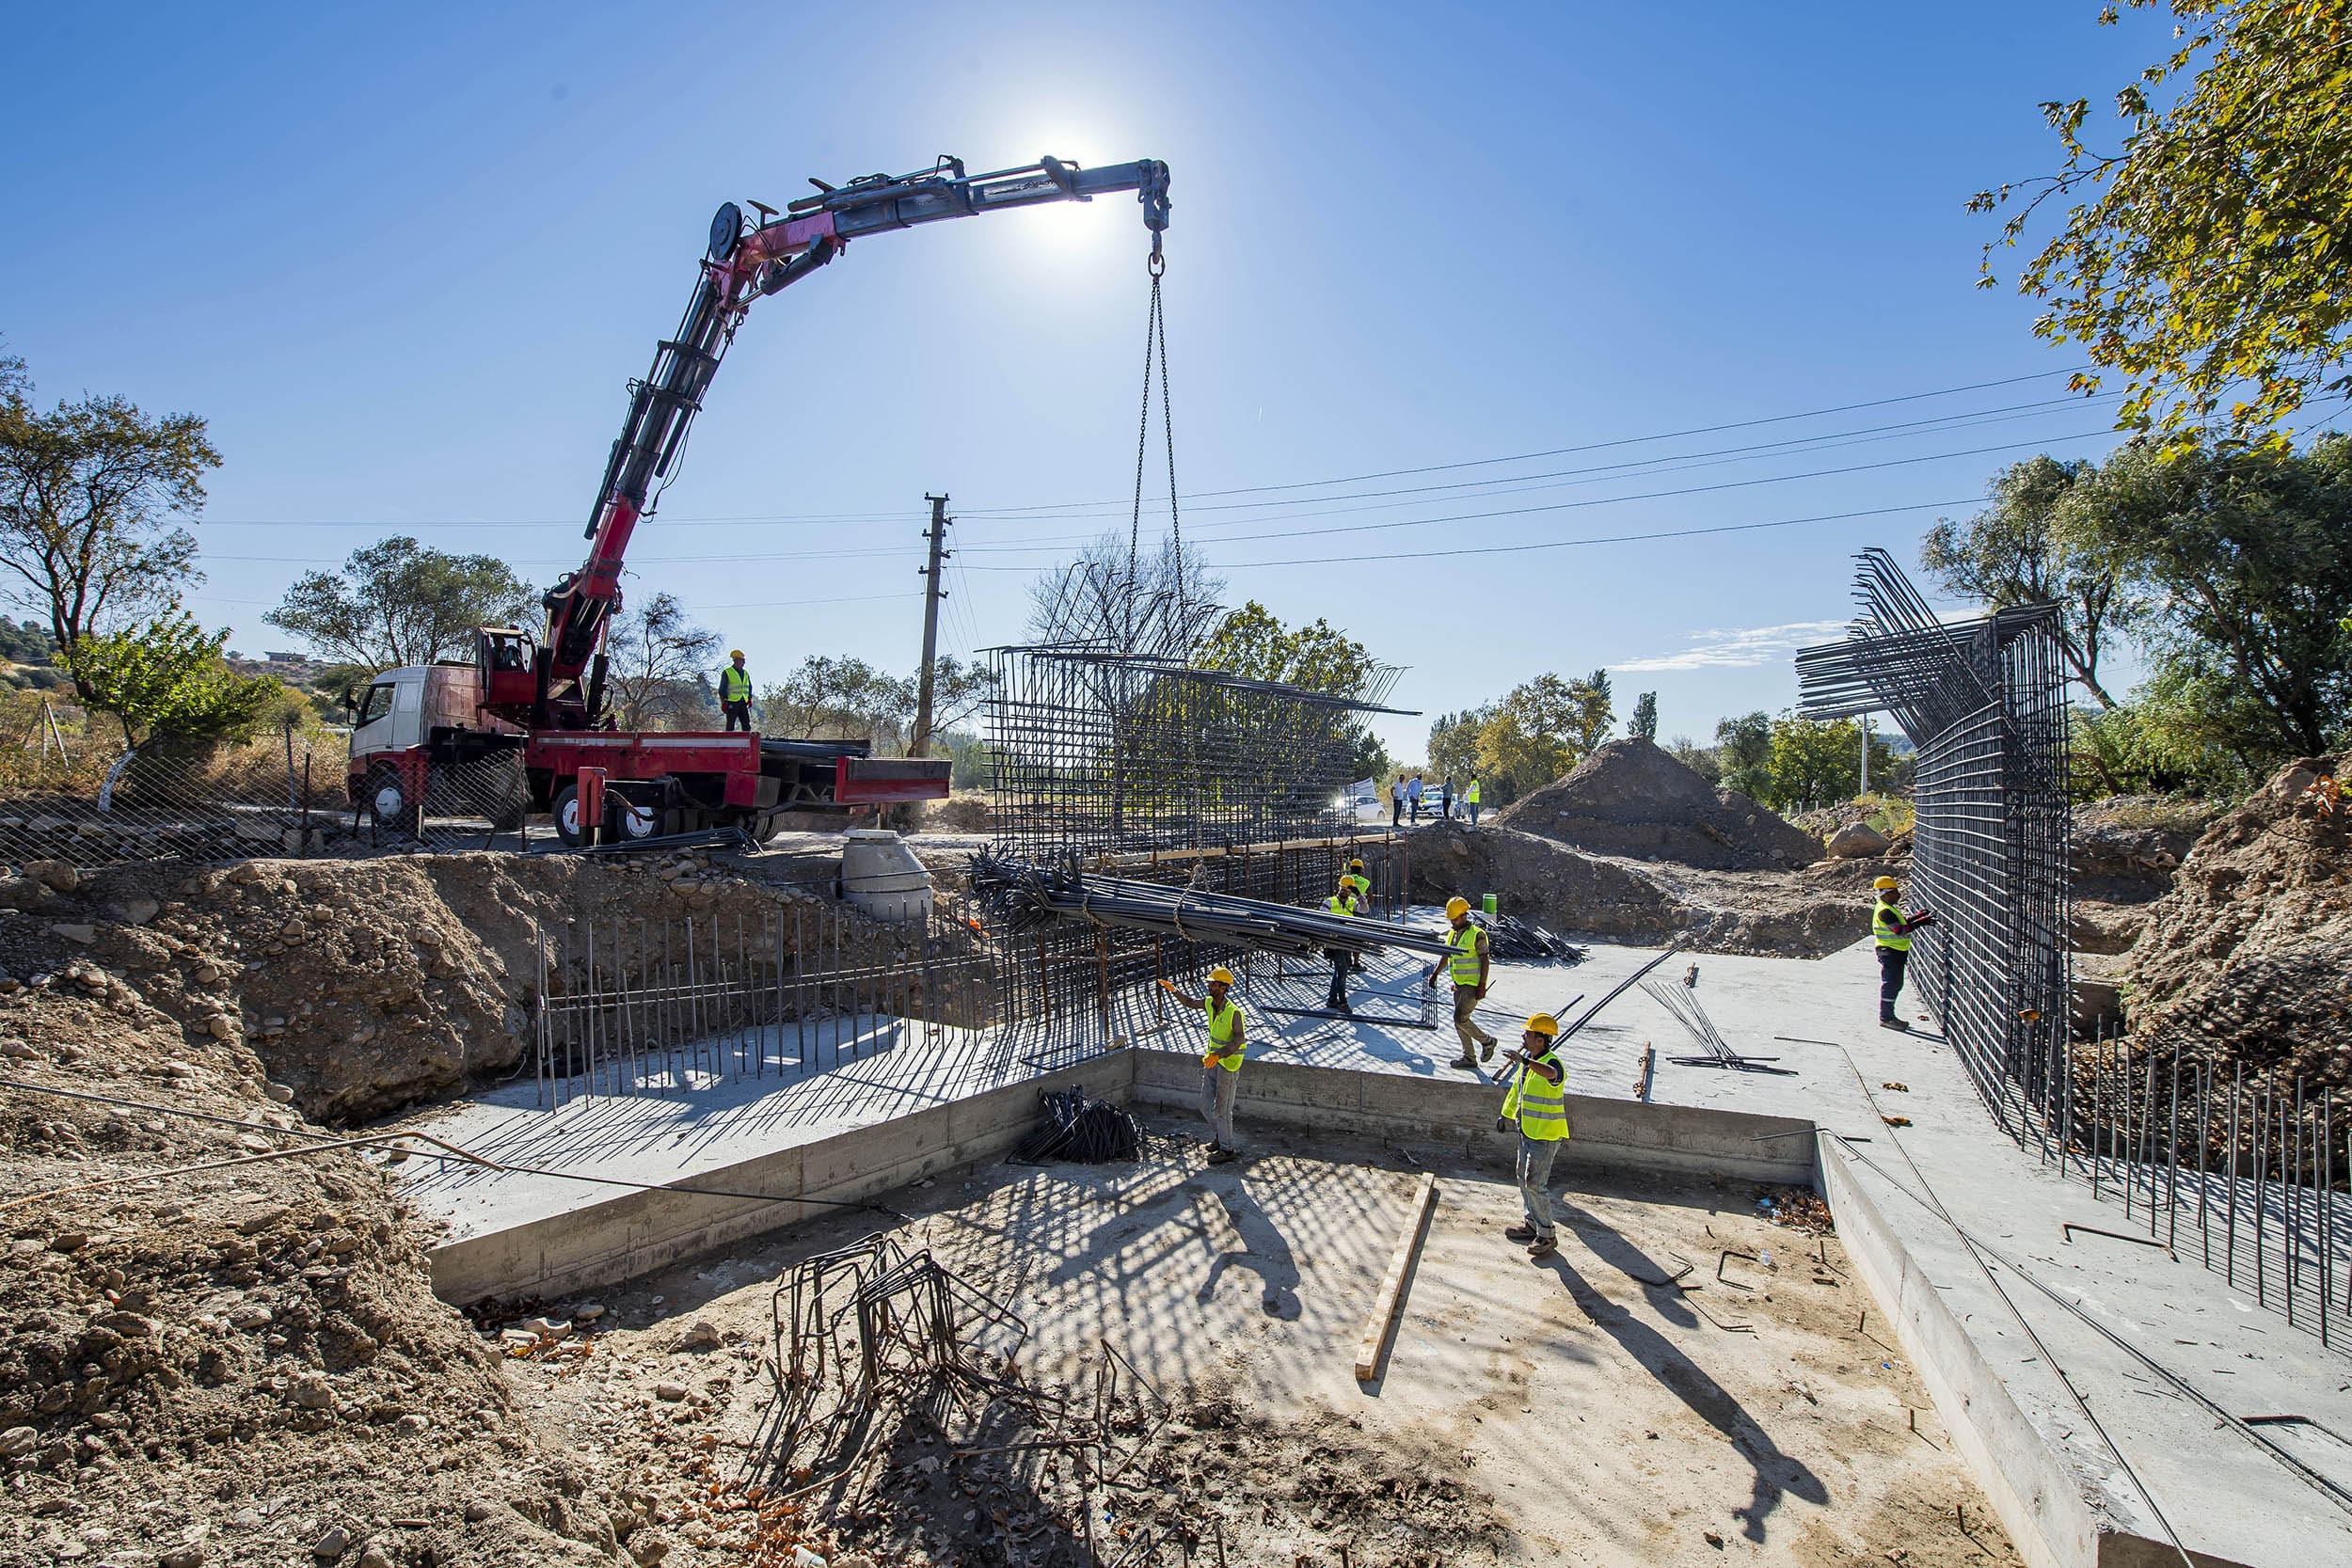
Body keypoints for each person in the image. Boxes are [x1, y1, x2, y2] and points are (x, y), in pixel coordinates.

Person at [1495, 1013, 1569, 1257]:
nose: (1523, 1036)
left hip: (1545, 1135)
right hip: (1527, 1131)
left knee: (1536, 1184)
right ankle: (1531, 1224)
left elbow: (1550, 1074)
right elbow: (1518, 1091)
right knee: (1522, 1177)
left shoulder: (1552, 1063)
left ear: (1540, 1039)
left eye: (1527, 1033)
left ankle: (1547, 1235)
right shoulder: (1529, 1061)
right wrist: (1505, 1114)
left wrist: (1524, 1062)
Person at [1161, 967, 1247, 1162]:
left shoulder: (1234, 1012)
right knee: (1205, 1105)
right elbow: (1190, 1003)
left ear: (1223, 987)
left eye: (1213, 983)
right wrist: (1173, 990)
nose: (1209, 985)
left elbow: (1239, 1039)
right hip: (1212, 1061)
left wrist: (1220, 1055)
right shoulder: (1209, 1003)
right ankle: (1221, 1136)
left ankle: (1227, 1149)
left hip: (1228, 1065)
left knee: (1222, 1110)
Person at [1424, 895, 1498, 1069]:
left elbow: (1485, 960)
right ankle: (1469, 1058)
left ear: (1464, 916)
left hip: (1472, 985)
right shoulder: (1452, 934)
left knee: (1460, 1018)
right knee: (1459, 1021)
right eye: (1451, 919)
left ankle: (1487, 1041)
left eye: (1455, 919)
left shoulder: (1477, 935)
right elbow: (1446, 955)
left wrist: (1482, 985)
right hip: (1458, 984)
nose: (1452, 922)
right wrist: (1435, 973)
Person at [1871, 875, 1935, 1031]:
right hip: (1890, 951)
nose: (1899, 895)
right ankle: (1886, 1018)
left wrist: (1916, 916)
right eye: (1895, 892)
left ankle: (1888, 1016)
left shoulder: (1888, 908)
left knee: (1895, 984)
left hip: (1895, 951)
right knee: (1891, 984)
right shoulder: (1884, 911)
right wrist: (1922, 922)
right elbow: (1900, 930)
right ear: (1886, 894)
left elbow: (1901, 922)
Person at [1323, 878, 1361, 1012]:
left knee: (1340, 970)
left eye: (1348, 890)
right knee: (1343, 971)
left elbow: (1365, 909)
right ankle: (1342, 1002)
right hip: (1333, 942)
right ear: (1339, 888)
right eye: (1343, 889)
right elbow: (1322, 919)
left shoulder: (1352, 901)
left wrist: (1360, 895)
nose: (1345, 892)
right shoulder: (1329, 902)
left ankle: (1332, 1000)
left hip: (1346, 941)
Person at [718, 649, 755, 733]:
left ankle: (748, 743)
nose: (744, 663)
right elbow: (722, 689)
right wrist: (723, 702)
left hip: (743, 702)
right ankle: (728, 743)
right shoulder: (727, 672)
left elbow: (749, 687)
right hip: (732, 702)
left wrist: (749, 698)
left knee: (746, 725)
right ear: (736, 660)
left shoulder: (745, 673)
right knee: (730, 725)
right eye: (742, 660)